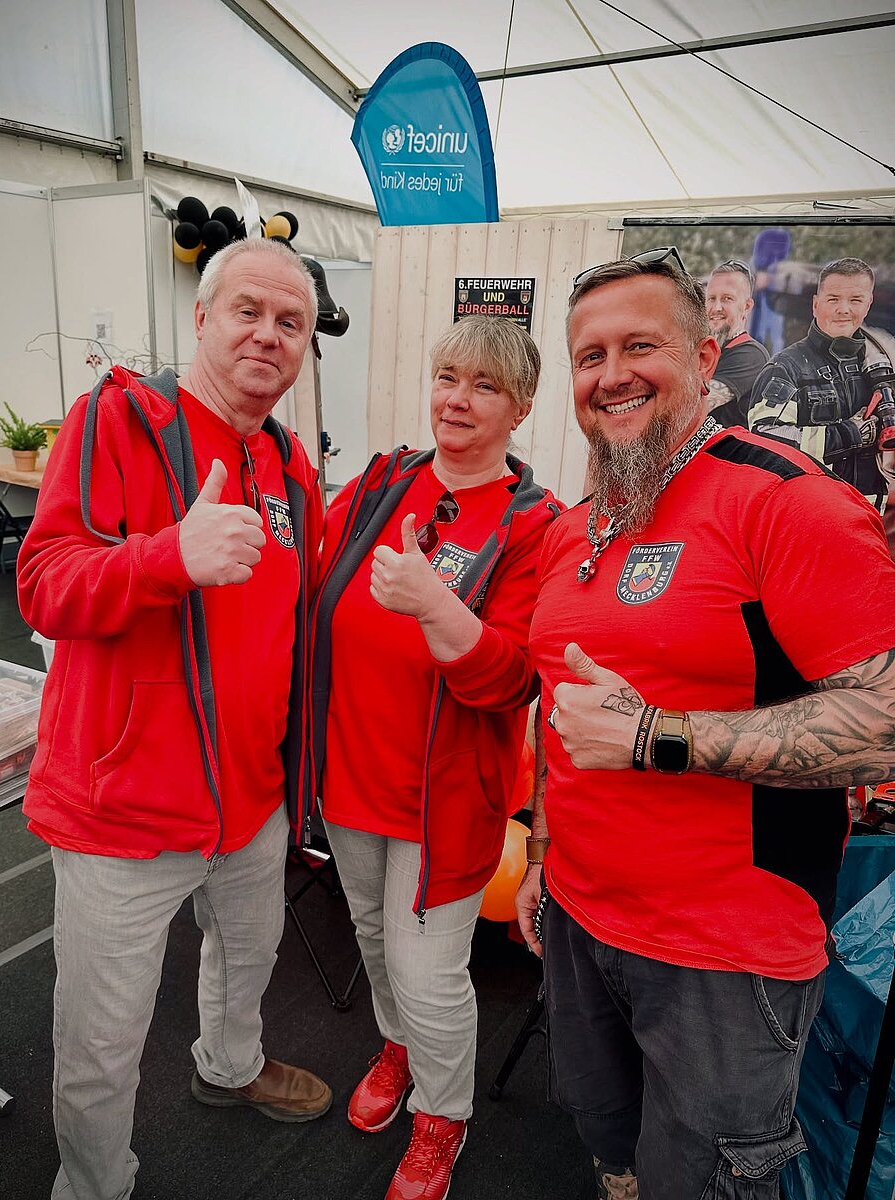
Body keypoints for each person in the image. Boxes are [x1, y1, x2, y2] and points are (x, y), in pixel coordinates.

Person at [516, 248, 895, 1200]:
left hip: (725, 954)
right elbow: (556, 713)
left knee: (709, 1180)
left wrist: (658, 736)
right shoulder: (576, 526)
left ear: (708, 354)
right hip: (579, 912)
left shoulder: (786, 502)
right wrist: (546, 850)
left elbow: (887, 721)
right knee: (613, 1153)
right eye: (590, 354)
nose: (613, 374)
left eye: (640, 344)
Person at [17, 237, 332, 1200]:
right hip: (122, 814)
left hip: (248, 803)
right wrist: (166, 557)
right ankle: (93, 1184)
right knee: (101, 1041)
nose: (268, 336)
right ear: (201, 317)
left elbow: (301, 615)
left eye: (291, 324)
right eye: (248, 311)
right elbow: (42, 584)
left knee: (249, 963)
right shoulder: (119, 418)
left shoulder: (286, 462)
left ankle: (228, 1067)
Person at [303, 316, 560, 1200]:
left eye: (484, 386)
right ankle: (398, 1045)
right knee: (374, 942)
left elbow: (512, 678)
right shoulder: (383, 481)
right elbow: (309, 576)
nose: (458, 399)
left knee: (429, 970)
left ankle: (441, 1118)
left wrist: (430, 604)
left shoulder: (536, 525)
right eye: (449, 376)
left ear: (520, 407)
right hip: (348, 777)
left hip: (445, 797)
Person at [749, 256, 894, 511]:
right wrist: (848, 434)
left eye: (855, 300)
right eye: (833, 299)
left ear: (868, 304)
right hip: (813, 515)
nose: (844, 309)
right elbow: (764, 440)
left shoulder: (884, 361)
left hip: (877, 515)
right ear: (816, 305)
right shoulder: (786, 367)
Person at [703, 258, 770, 427]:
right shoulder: (702, 350)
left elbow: (697, 406)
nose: (716, 307)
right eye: (711, 298)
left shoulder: (751, 355)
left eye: (727, 299)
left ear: (747, 306)